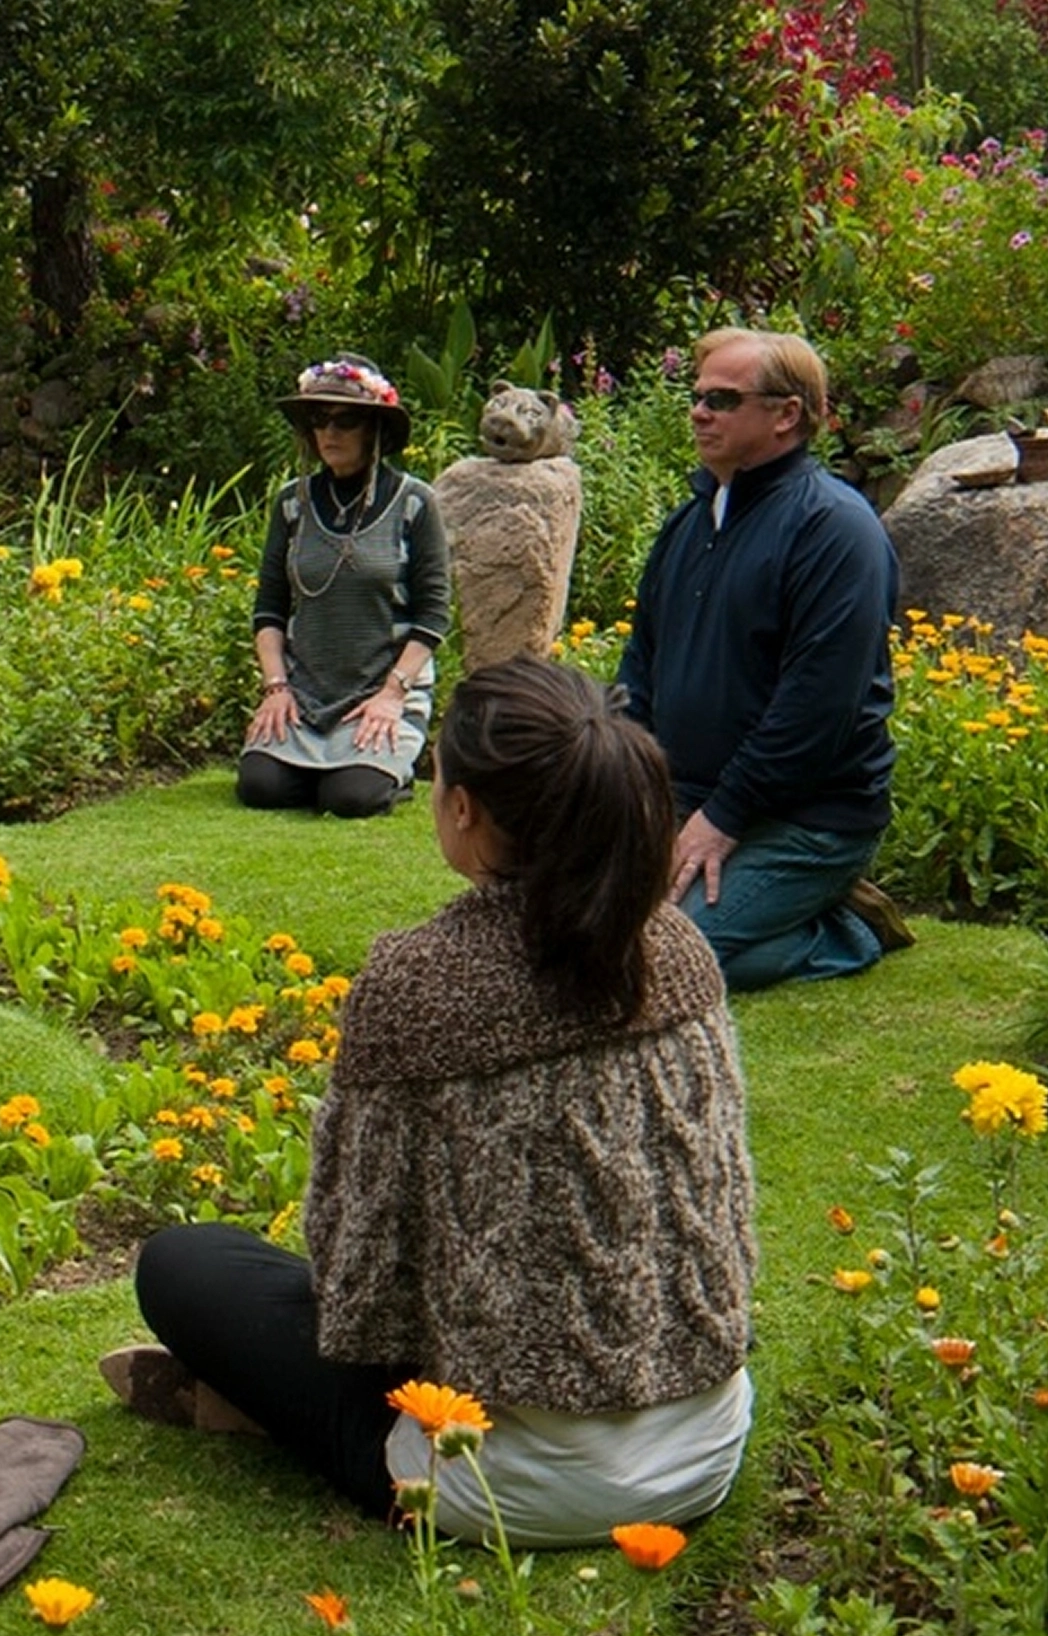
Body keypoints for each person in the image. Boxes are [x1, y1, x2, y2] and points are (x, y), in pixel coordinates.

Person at [106, 658, 755, 1546]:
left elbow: (358, 1291)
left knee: (182, 1265)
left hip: (503, 1480)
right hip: (706, 1448)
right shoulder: (679, 949)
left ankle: (275, 1414)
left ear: (464, 808)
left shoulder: (417, 981)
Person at [611, 327, 907, 990]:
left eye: (721, 398)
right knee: (571, 915)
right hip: (690, 799)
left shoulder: (835, 530)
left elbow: (818, 708)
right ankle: (756, 902)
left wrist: (722, 819)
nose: (698, 411)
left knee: (660, 961)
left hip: (805, 820)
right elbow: (640, 668)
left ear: (786, 415)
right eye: (696, 396)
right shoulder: (689, 526)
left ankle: (840, 931)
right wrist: (633, 794)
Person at [237, 355, 454, 819]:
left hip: (381, 691)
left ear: (373, 428)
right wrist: (276, 687)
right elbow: (269, 610)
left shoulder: (416, 503)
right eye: (319, 419)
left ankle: (381, 768)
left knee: (351, 798)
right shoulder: (290, 504)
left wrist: (392, 695)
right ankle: (321, 762)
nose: (329, 432)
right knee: (259, 787)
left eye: (345, 419)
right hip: (303, 695)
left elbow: (433, 616)